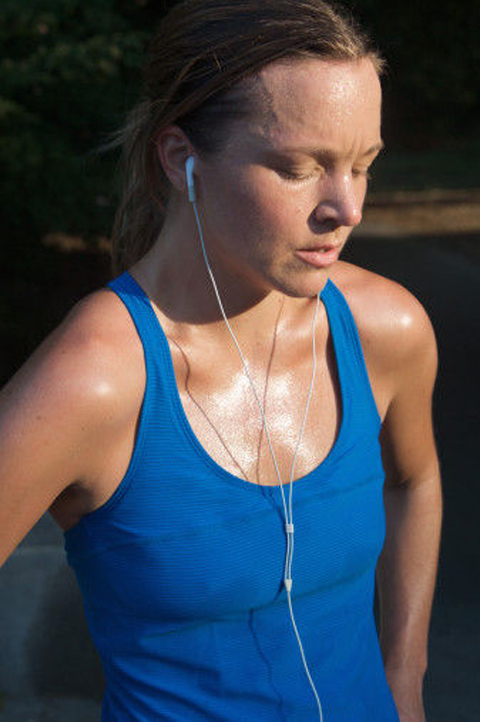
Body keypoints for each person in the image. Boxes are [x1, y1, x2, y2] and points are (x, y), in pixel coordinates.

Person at [0, 0, 443, 720]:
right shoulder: (98, 380)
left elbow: (415, 478)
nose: (348, 206)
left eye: (363, 165)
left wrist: (406, 676)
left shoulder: (384, 329)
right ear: (182, 160)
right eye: (301, 168)